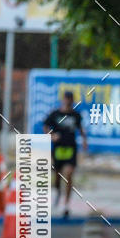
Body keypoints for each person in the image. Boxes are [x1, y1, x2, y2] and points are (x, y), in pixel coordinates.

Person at [43, 90, 87, 218]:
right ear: (63, 100)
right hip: (58, 149)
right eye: (66, 99)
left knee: (68, 174)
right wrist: (52, 135)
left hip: (71, 149)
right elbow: (45, 126)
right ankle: (57, 191)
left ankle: (66, 204)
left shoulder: (76, 115)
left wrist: (84, 140)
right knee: (57, 176)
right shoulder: (55, 114)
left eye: (70, 99)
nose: (68, 101)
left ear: (72, 100)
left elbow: (81, 129)